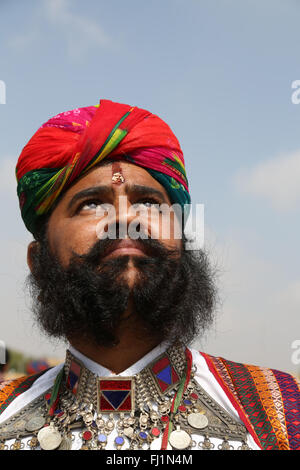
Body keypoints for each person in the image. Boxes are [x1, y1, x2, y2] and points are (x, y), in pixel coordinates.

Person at [0, 99, 299, 451]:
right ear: (39, 260)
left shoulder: (280, 409)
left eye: (149, 202)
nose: (126, 219)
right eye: (92, 203)